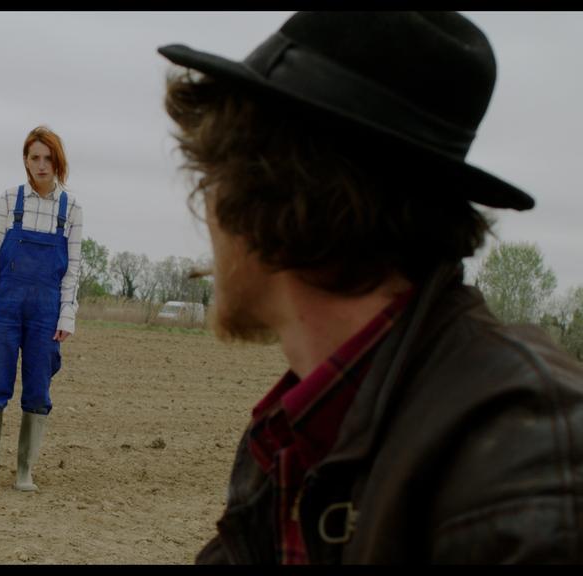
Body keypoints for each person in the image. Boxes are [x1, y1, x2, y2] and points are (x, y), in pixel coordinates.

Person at [158, 11, 583, 564]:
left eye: (212, 181)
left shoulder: (526, 472)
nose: (207, 216)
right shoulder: (299, 433)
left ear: (272, 196)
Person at [0, 126, 83, 494]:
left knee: (38, 389)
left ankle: (24, 472)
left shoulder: (71, 209)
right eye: (35, 157)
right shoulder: (10, 200)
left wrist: (66, 315)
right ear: (25, 160)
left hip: (46, 312)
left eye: (48, 158)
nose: (41, 165)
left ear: (58, 162)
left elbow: (73, 269)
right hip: (4, 306)